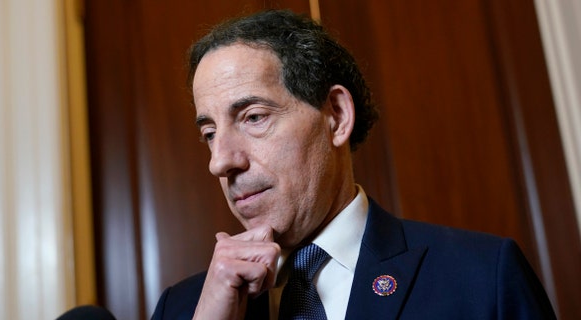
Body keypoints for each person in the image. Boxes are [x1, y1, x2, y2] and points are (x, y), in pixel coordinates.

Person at [152, 9, 556, 320]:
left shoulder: (482, 278)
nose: (220, 161)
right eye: (209, 133)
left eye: (254, 117)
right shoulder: (183, 308)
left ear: (337, 116)